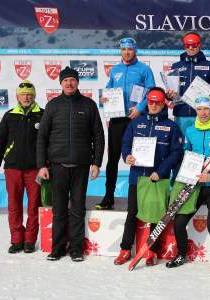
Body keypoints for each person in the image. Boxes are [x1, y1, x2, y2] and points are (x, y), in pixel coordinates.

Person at [37, 67, 105, 262]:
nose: (69, 83)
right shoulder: (53, 106)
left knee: (77, 209)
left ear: (77, 83)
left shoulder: (89, 105)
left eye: (72, 80)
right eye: (65, 80)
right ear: (60, 83)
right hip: (56, 167)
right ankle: (57, 248)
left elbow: (98, 136)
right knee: (58, 209)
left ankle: (76, 249)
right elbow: (42, 137)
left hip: (81, 166)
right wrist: (42, 164)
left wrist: (96, 162)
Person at [165, 96, 210, 273]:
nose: (203, 113)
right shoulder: (190, 131)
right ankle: (182, 254)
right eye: (199, 109)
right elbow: (186, 156)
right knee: (179, 222)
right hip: (194, 186)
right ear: (195, 111)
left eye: (206, 109)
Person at [113, 87, 184, 266]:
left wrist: (160, 172)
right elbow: (125, 143)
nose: (153, 105)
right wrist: (127, 155)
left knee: (156, 216)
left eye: (157, 102)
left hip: (157, 178)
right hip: (137, 177)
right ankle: (125, 249)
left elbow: (176, 153)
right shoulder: (136, 123)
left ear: (163, 104)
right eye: (150, 101)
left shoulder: (171, 127)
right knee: (132, 214)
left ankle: (150, 250)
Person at [95, 37, 155, 210]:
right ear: (120, 51)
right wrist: (104, 97)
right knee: (113, 158)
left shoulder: (144, 69)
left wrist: (141, 108)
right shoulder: (115, 70)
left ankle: (142, 198)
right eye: (123, 49)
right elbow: (109, 88)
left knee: (140, 158)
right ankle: (108, 198)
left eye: (129, 49)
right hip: (118, 118)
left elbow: (152, 92)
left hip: (137, 118)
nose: (126, 52)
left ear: (135, 50)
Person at [0, 80, 44, 254]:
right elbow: (0, 141)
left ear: (34, 96)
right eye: (23, 94)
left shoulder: (42, 115)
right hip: (12, 168)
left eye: (29, 94)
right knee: (14, 205)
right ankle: (16, 240)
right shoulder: (9, 115)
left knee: (34, 205)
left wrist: (46, 165)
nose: (26, 97)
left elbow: (48, 142)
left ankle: (29, 241)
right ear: (17, 97)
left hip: (35, 169)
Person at [165, 32, 210, 135]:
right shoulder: (175, 66)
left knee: (199, 147)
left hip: (201, 115)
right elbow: (171, 94)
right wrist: (169, 95)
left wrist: (207, 104)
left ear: (199, 45)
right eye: (188, 45)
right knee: (181, 148)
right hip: (181, 115)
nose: (191, 48)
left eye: (194, 45)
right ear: (184, 46)